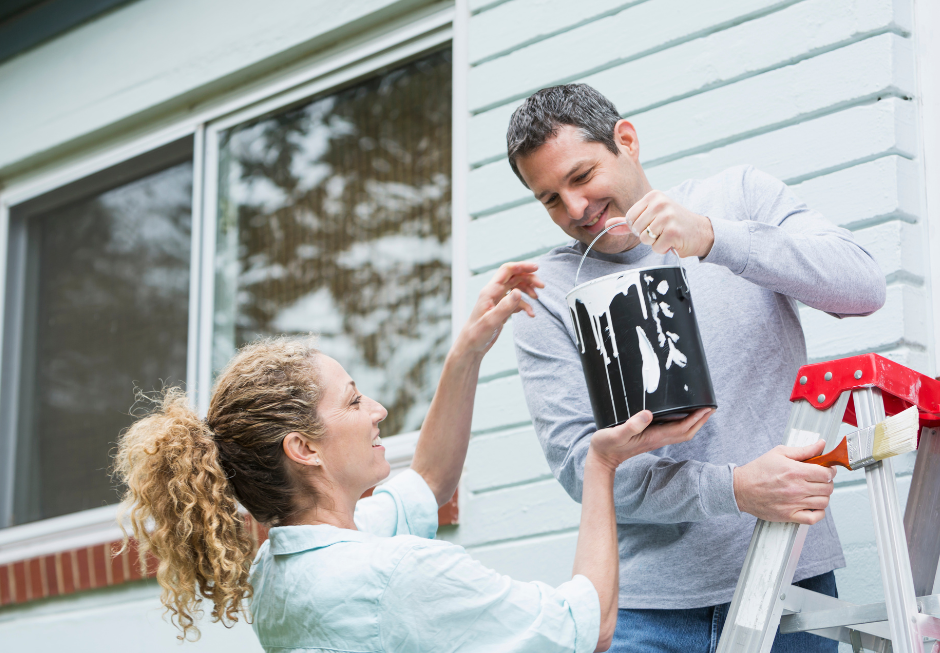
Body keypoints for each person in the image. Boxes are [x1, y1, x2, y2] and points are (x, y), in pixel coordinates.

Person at [114, 261, 712, 652]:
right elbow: (591, 627)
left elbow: (429, 478)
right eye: (352, 401)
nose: (376, 410)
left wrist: (468, 351)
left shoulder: (281, 570)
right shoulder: (395, 573)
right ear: (303, 449)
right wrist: (600, 466)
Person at [506, 84, 887, 653]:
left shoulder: (736, 197)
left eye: (582, 176)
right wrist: (733, 489)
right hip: (644, 611)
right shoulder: (547, 292)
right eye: (550, 199)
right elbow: (578, 465)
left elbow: (863, 286)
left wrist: (715, 238)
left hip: (788, 581)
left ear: (626, 141)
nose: (576, 210)